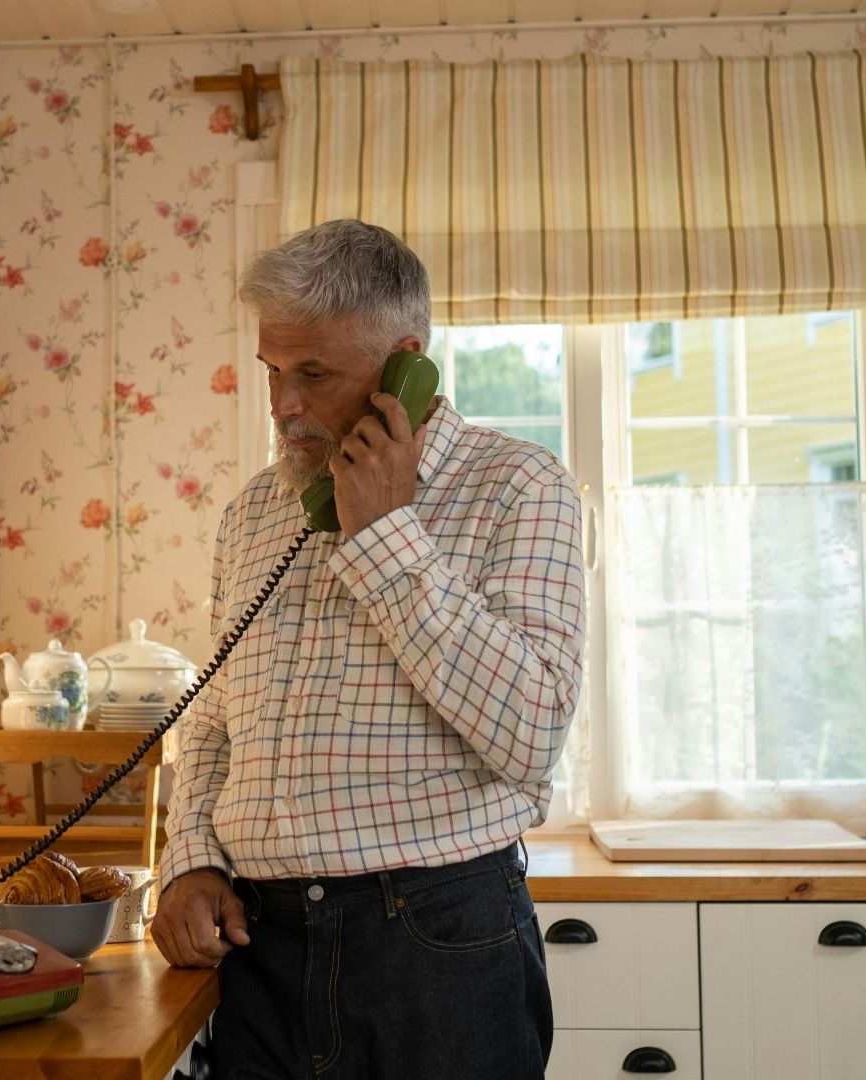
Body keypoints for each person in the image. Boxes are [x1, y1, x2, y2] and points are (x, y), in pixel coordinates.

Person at [150, 218, 588, 1079]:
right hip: (261, 951)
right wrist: (190, 857)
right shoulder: (254, 514)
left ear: (404, 364)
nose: (282, 405)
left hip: (438, 946)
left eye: (313, 374)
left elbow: (532, 731)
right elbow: (213, 718)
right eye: (274, 371)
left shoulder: (520, 488)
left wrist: (387, 534)